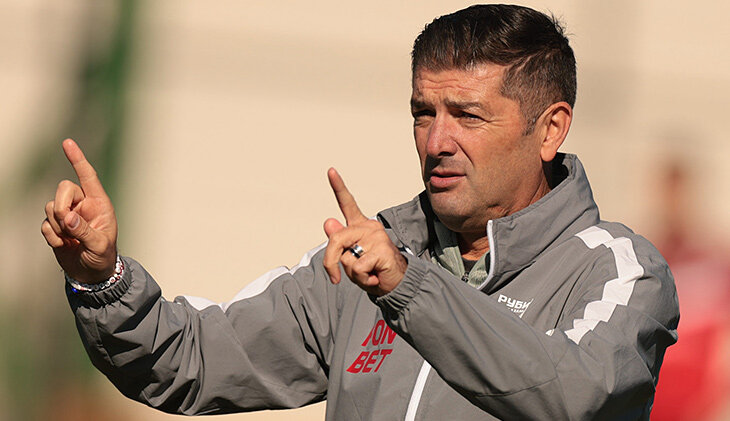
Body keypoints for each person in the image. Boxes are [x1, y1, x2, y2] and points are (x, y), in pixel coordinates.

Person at [41, 4, 679, 420]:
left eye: (468, 115)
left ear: (550, 130)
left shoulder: (619, 271)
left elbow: (576, 395)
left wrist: (409, 290)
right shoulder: (369, 259)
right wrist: (103, 281)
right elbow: (190, 361)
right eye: (423, 113)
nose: (437, 141)